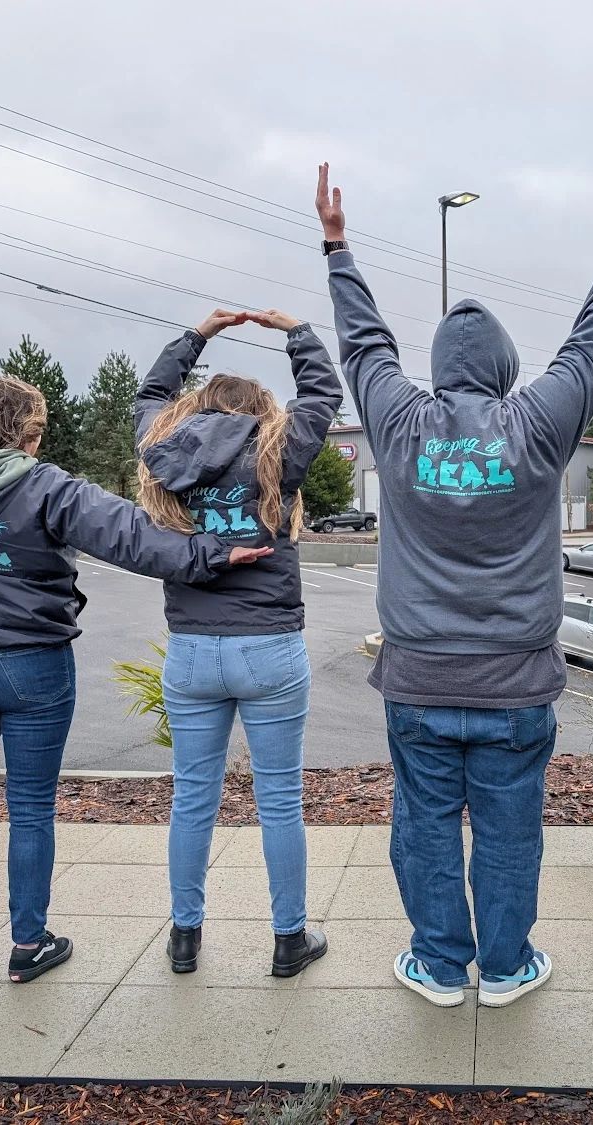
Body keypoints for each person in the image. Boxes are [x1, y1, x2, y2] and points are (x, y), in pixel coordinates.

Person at [317, 163, 593, 1008]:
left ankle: (438, 964)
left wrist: (338, 248)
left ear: (439, 367)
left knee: (425, 825)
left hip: (420, 679)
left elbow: (364, 346)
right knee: (509, 830)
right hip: (515, 684)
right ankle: (505, 967)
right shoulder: (534, 425)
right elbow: (588, 351)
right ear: (504, 368)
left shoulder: (400, 422)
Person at [0, 259, 269, 988]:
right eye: (38, 432)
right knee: (29, 808)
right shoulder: (49, 489)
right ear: (28, 435)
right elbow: (134, 536)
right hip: (31, 665)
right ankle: (27, 944)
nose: (40, 444)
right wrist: (213, 552)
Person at [135, 305, 342, 978]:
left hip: (192, 649)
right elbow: (323, 394)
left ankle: (184, 936)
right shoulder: (276, 453)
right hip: (268, 647)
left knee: (192, 797)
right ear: (260, 413)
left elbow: (149, 395)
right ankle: (288, 939)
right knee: (279, 798)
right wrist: (296, 332)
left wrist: (196, 336)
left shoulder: (166, 451)